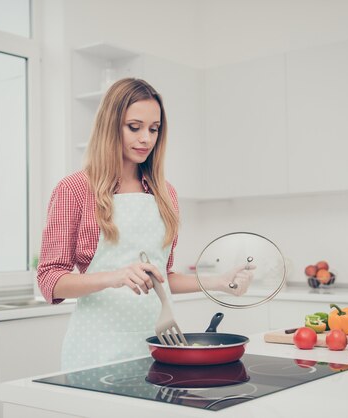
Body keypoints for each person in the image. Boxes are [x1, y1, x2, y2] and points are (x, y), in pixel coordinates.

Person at [37, 78, 253, 371]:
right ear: (110, 125)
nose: (146, 139)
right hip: (96, 347)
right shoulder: (74, 189)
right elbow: (50, 280)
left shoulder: (165, 193)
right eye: (134, 127)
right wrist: (115, 277)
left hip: (160, 344)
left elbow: (163, 277)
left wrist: (218, 283)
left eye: (154, 129)